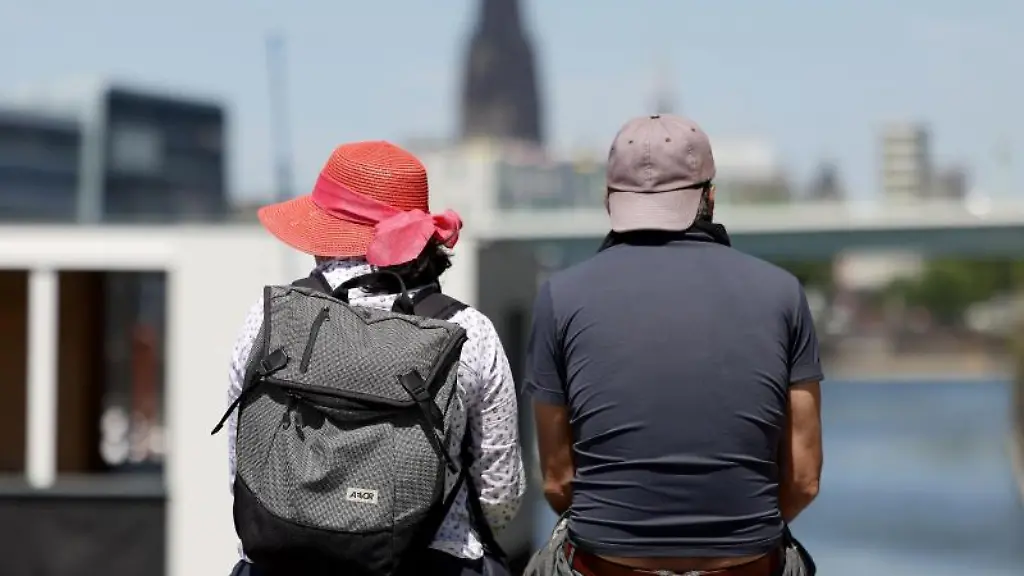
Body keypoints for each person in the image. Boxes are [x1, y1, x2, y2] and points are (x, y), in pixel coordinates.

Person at [523, 114, 823, 576]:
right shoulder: (783, 293)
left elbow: (559, 480)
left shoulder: (559, 297)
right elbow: (803, 479)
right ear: (710, 197)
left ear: (609, 201)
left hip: (607, 564)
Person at [224, 141, 526, 575]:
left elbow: (245, 470)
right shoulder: (469, 332)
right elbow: (500, 497)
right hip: (429, 564)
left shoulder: (268, 319)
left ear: (323, 233)